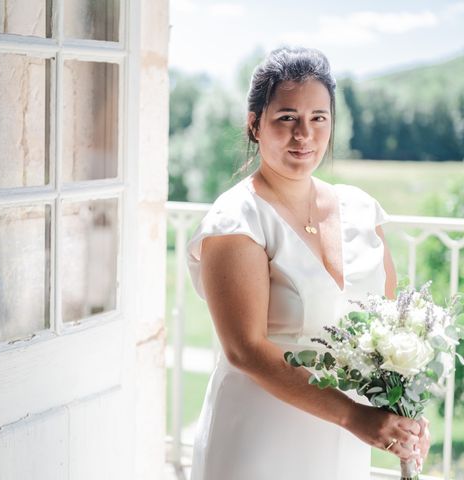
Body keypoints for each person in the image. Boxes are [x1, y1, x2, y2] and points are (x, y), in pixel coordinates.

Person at [185, 46, 430, 480]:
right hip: (260, 434)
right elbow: (245, 350)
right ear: (254, 124)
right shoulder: (235, 220)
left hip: (343, 442)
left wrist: (403, 411)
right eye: (286, 118)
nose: (305, 135)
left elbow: (391, 328)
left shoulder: (361, 209)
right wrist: (354, 417)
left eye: (319, 118)